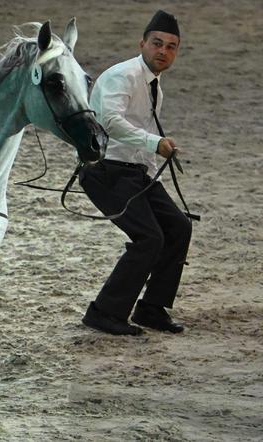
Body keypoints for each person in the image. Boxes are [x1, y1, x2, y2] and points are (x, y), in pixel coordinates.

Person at [79, 10, 192, 335]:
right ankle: (104, 312)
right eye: (157, 43)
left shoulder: (155, 85)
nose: (163, 52)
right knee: (149, 238)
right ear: (142, 43)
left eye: (171, 47)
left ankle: (151, 309)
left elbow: (141, 135)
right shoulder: (123, 76)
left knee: (179, 227)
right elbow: (110, 121)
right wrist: (155, 143)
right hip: (105, 171)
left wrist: (152, 166)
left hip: (135, 171)